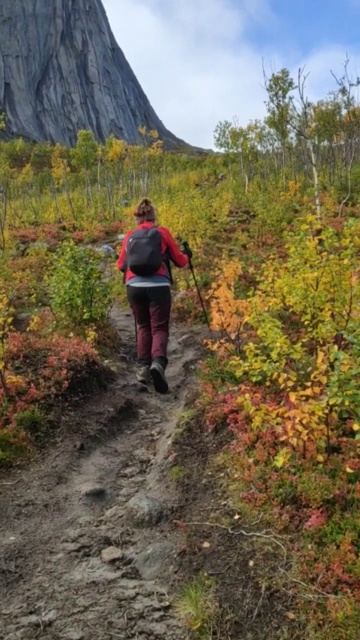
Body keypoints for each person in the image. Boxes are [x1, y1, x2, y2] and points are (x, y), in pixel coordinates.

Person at [116, 198, 192, 394]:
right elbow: (180, 261)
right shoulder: (162, 233)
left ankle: (143, 369)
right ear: (153, 216)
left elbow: (120, 265)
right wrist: (188, 255)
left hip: (134, 286)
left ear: (137, 218)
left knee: (143, 325)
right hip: (158, 285)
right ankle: (158, 363)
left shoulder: (130, 236)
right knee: (159, 327)